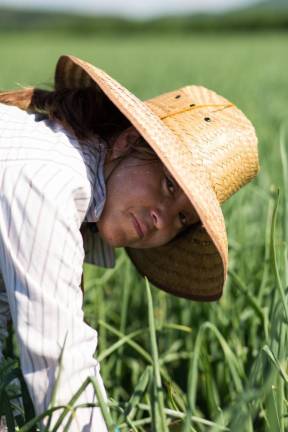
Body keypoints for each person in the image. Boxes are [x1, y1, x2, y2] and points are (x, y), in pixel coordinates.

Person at [0, 54, 260, 431]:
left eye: (183, 218)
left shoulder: (53, 158)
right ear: (127, 142)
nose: (162, 219)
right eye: (169, 185)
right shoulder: (53, 185)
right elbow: (61, 374)